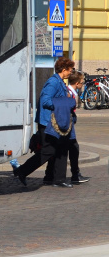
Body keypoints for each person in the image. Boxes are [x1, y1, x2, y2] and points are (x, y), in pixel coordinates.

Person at [13, 56, 75, 188]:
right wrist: (63, 104)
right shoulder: (53, 82)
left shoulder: (60, 82)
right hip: (48, 123)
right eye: (70, 70)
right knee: (48, 151)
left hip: (55, 122)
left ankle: (57, 179)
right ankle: (22, 171)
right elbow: (45, 101)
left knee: (61, 149)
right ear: (64, 70)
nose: (71, 72)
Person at [43, 70, 90, 185]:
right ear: (78, 83)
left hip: (67, 124)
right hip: (64, 125)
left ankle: (49, 176)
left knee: (61, 150)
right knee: (71, 149)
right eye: (82, 82)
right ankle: (74, 175)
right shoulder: (67, 92)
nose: (83, 84)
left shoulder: (71, 92)